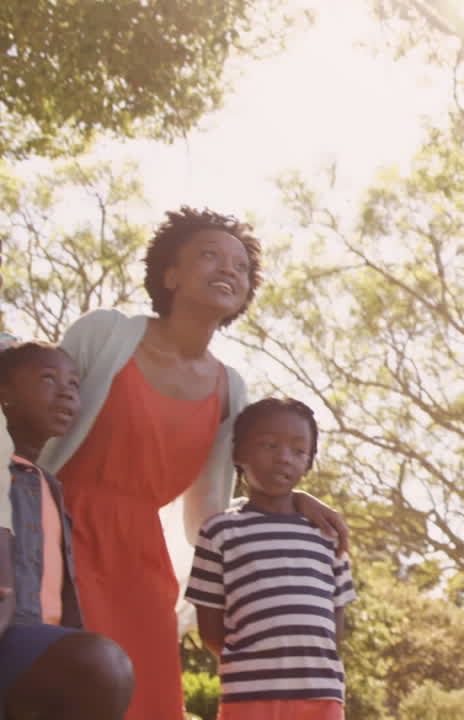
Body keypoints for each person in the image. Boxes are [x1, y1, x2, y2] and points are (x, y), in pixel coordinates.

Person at [37, 207, 350, 720]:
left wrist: (295, 501)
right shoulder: (107, 335)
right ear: (170, 274)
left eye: (241, 267)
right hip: (58, 535)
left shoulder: (231, 388)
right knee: (69, 685)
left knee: (145, 698)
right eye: (210, 255)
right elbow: (34, 407)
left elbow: (209, 510)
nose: (229, 270)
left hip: (141, 564)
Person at [187, 397, 356, 720]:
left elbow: (336, 620)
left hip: (321, 695)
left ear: (308, 463)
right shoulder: (219, 532)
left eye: (298, 450)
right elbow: (210, 629)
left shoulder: (327, 535)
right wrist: (253, 663)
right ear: (239, 454)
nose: (283, 458)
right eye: (269, 445)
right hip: (249, 696)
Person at [0, 340, 135, 719]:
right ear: (4, 393)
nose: (66, 392)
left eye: (74, 385)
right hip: (12, 635)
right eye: (48, 379)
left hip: (42, 643)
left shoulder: (49, 483)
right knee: (101, 664)